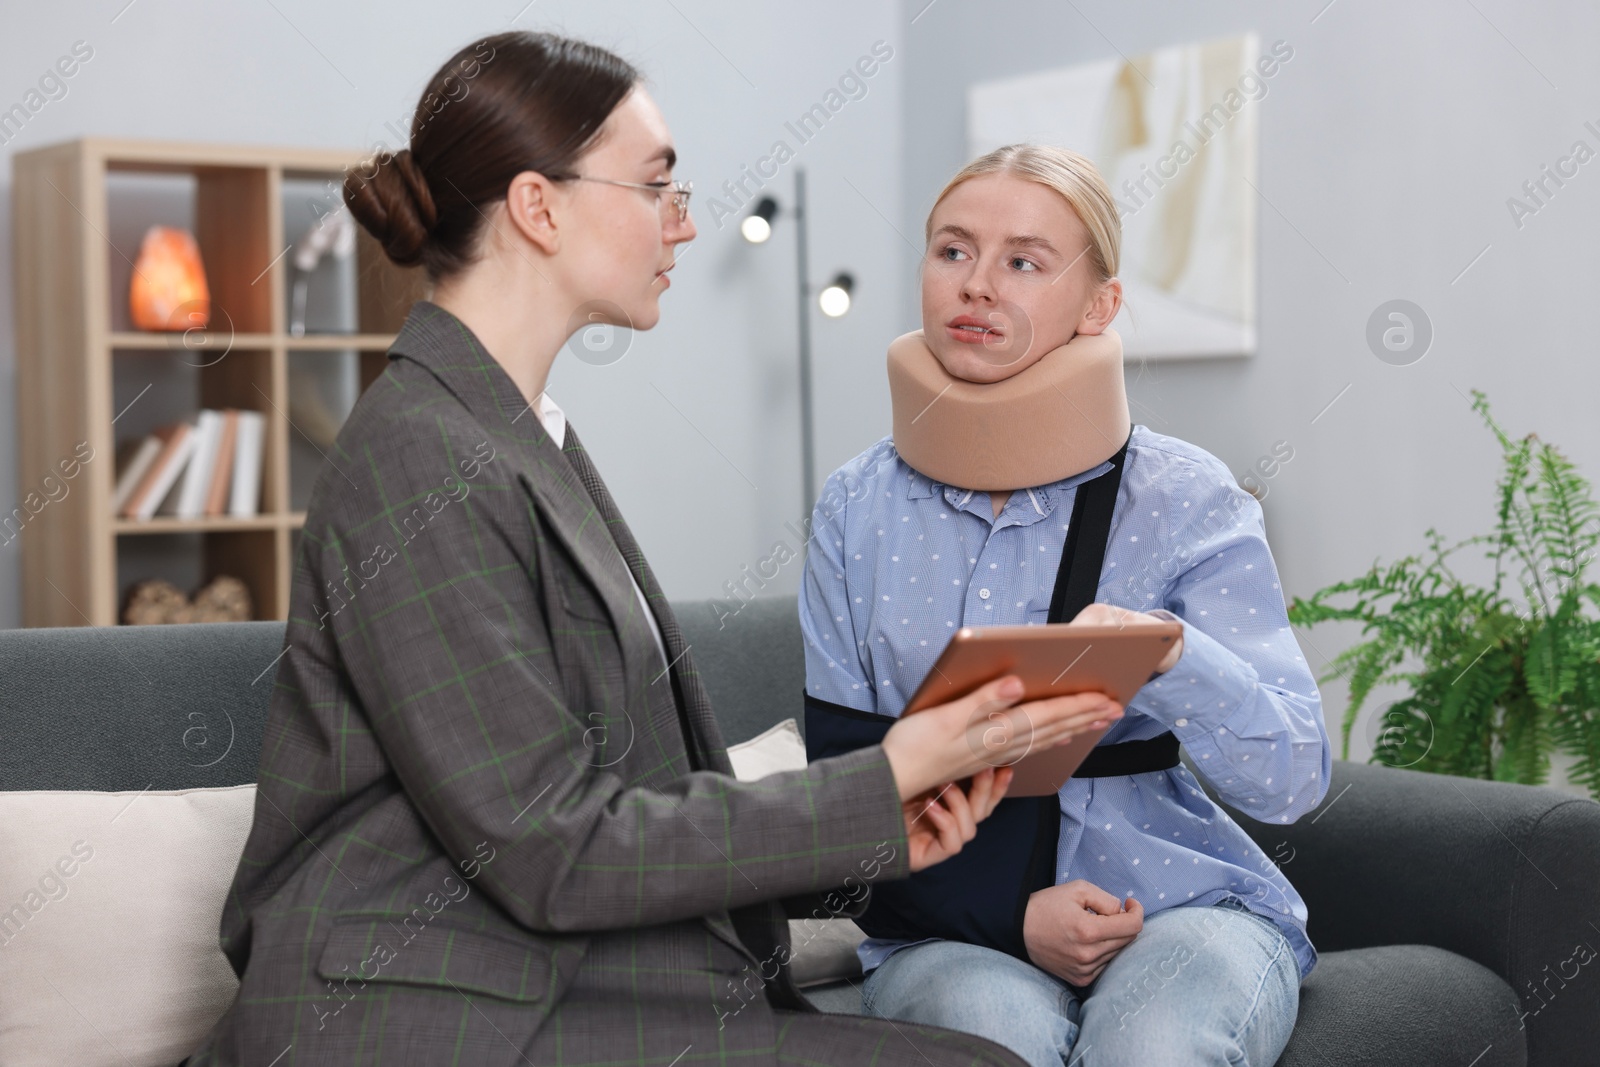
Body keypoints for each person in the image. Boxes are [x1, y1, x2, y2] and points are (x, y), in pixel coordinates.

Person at [181, 33, 1123, 1067]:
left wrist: (889, 822)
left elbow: (626, 795)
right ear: (539, 207)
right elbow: (544, 842)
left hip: (549, 974)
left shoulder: (516, 429)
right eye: (657, 185)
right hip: (430, 1011)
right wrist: (884, 774)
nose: (684, 222)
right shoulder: (419, 453)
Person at [798, 143, 1333, 1067]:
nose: (976, 285)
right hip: (946, 928)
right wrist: (1009, 912)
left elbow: (1294, 776)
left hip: (1177, 903)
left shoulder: (1183, 497)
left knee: (1155, 1048)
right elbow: (845, 793)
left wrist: (1171, 654)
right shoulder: (857, 506)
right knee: (991, 1042)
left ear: (1099, 307)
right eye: (952, 250)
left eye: (1023, 262)